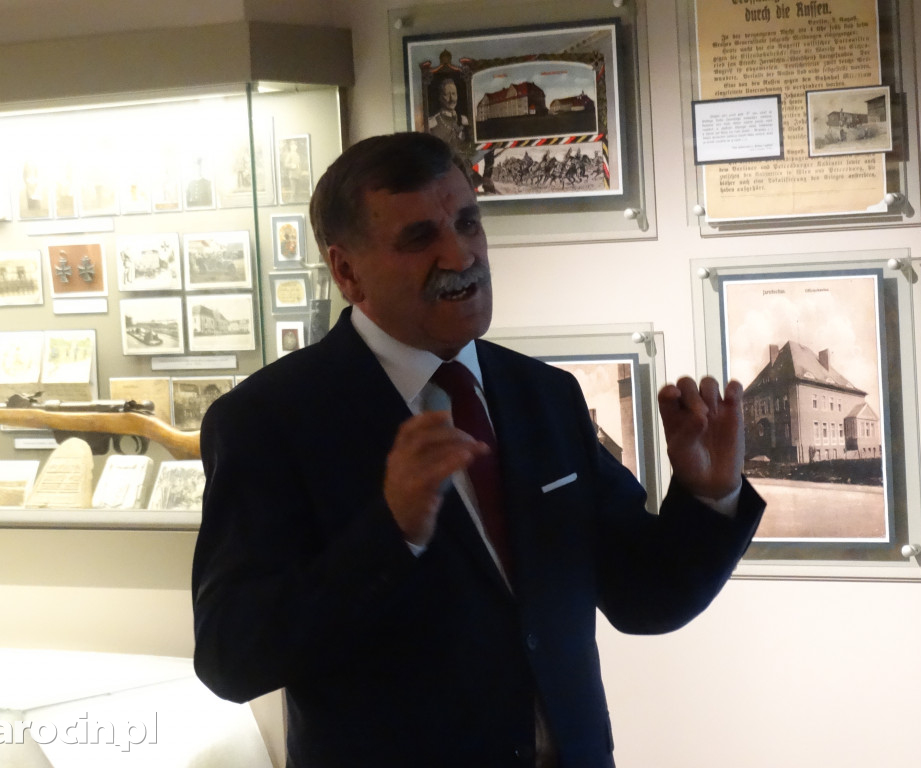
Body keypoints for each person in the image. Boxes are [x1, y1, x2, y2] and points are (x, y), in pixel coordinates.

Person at [192, 132, 764, 768]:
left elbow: (642, 598)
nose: (460, 254)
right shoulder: (270, 420)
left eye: (468, 223)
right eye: (419, 238)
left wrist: (710, 497)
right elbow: (230, 656)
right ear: (347, 271)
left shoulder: (543, 394)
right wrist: (390, 535)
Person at [428, 77, 471, 149]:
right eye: (447, 94)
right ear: (440, 97)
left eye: (454, 94)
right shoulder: (432, 123)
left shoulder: (464, 120)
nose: (452, 99)